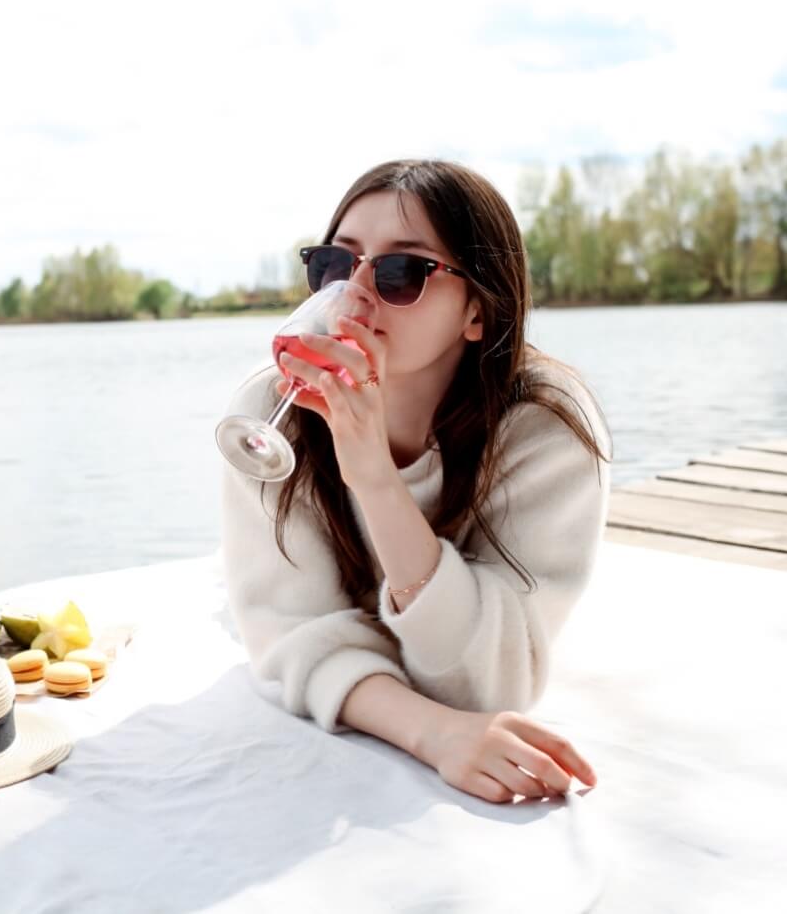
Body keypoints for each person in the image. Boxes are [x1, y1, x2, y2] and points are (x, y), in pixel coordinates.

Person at [220, 159, 612, 804]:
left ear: (479, 312)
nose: (356, 295)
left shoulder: (546, 424)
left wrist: (374, 476)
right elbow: (290, 634)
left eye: (402, 272)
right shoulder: (271, 409)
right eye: (335, 267)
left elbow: (488, 685)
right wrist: (433, 734)